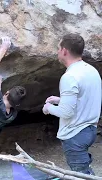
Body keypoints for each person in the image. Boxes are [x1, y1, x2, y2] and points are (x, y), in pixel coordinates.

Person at [42, 33, 101, 175]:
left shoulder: (69, 77)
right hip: (90, 129)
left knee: (80, 175)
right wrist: (60, 100)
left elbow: (66, 113)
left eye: (58, 48)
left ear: (64, 51)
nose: (57, 51)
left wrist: (48, 108)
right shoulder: (91, 70)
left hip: (75, 134)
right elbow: (86, 98)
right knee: (84, 172)